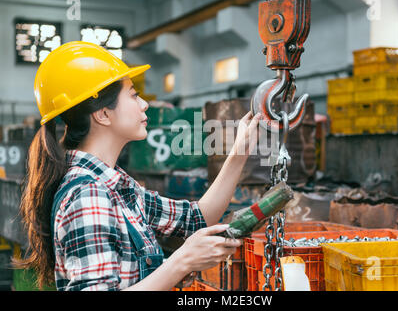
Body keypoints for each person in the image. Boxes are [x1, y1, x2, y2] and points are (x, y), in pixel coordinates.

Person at [16, 41, 261, 291]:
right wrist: (182, 261)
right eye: (134, 95)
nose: (144, 104)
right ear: (102, 114)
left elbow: (197, 218)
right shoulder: (89, 195)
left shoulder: (119, 188)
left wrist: (239, 152)